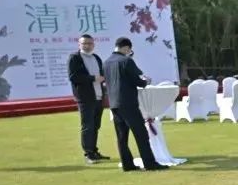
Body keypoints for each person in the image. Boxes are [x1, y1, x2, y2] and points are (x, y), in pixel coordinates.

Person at [103, 37, 168, 172]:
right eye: (129, 50)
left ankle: (127, 164)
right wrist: (146, 82)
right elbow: (137, 80)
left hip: (114, 103)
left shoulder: (107, 62)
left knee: (122, 136)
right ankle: (150, 163)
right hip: (128, 103)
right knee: (141, 134)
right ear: (126, 48)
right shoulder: (126, 60)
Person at [67, 34, 110, 164]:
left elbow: (102, 74)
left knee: (96, 125)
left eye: (90, 43)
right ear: (79, 45)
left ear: (93, 44)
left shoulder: (96, 57)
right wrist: (93, 78)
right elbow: (73, 77)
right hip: (85, 97)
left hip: (98, 96)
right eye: (84, 43)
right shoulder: (74, 58)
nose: (87, 45)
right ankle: (88, 154)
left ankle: (94, 151)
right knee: (87, 126)